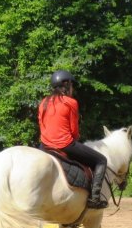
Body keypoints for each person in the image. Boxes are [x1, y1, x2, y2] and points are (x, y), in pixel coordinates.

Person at [38, 70, 109, 209]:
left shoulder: (43, 102)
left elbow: (42, 124)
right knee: (101, 160)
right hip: (63, 144)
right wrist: (76, 138)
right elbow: (74, 130)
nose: (73, 89)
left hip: (44, 145)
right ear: (66, 85)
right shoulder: (70, 102)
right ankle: (94, 199)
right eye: (72, 85)